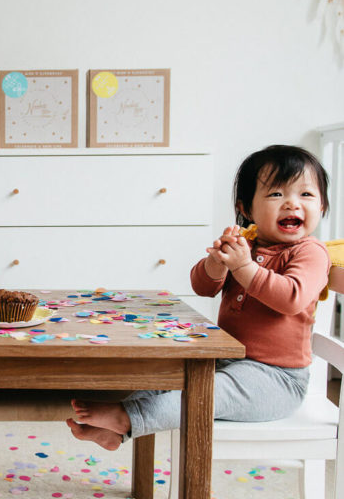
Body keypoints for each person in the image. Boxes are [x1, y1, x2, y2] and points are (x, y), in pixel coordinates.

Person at [67, 144, 331, 450]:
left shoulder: (310, 252)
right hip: (223, 361)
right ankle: (117, 432)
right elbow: (203, 287)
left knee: (205, 393)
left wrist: (244, 267)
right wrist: (218, 262)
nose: (291, 204)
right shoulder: (246, 245)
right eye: (276, 194)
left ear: (323, 206)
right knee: (163, 378)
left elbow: (292, 298)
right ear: (246, 209)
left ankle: (128, 418)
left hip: (276, 379)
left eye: (306, 195)